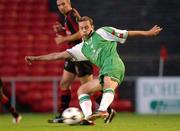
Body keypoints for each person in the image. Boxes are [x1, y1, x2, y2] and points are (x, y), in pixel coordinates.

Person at [25, 16, 162, 125]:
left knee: (108, 81)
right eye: (81, 28)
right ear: (79, 30)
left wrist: (147, 33)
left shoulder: (103, 32)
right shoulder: (81, 48)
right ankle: (88, 117)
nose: (84, 30)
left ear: (92, 27)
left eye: (86, 27)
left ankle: (103, 110)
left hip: (115, 65)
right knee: (82, 90)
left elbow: (126, 33)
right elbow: (57, 55)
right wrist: (36, 58)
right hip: (104, 72)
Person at [49, 0, 115, 124]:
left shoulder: (73, 15)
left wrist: (64, 38)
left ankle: (105, 112)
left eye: (63, 4)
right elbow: (73, 32)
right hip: (72, 54)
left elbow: (81, 33)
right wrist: (63, 30)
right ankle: (63, 115)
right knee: (64, 83)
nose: (61, 7)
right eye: (58, 5)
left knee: (89, 89)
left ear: (68, 2)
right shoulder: (67, 16)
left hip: (81, 55)